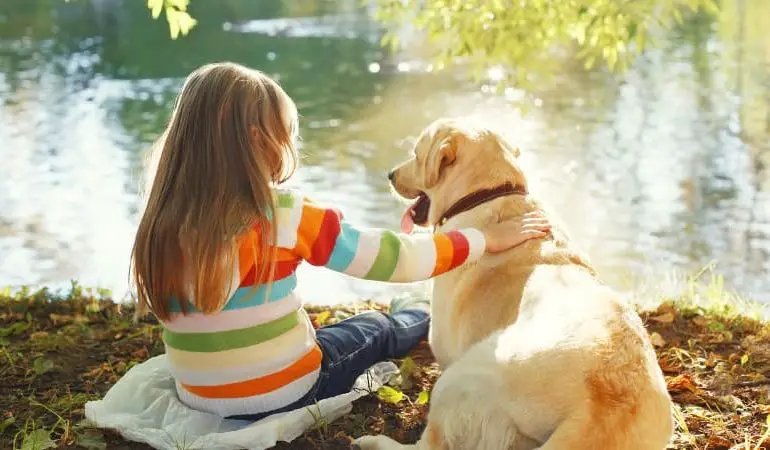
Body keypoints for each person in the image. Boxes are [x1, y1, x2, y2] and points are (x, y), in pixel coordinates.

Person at [130, 62, 552, 421]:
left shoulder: (162, 217)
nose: (289, 146)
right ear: (258, 140)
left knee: (316, 329)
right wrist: (481, 238)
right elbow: (394, 260)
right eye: (286, 135)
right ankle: (417, 316)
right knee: (373, 329)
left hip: (198, 397)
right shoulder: (283, 214)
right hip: (284, 395)